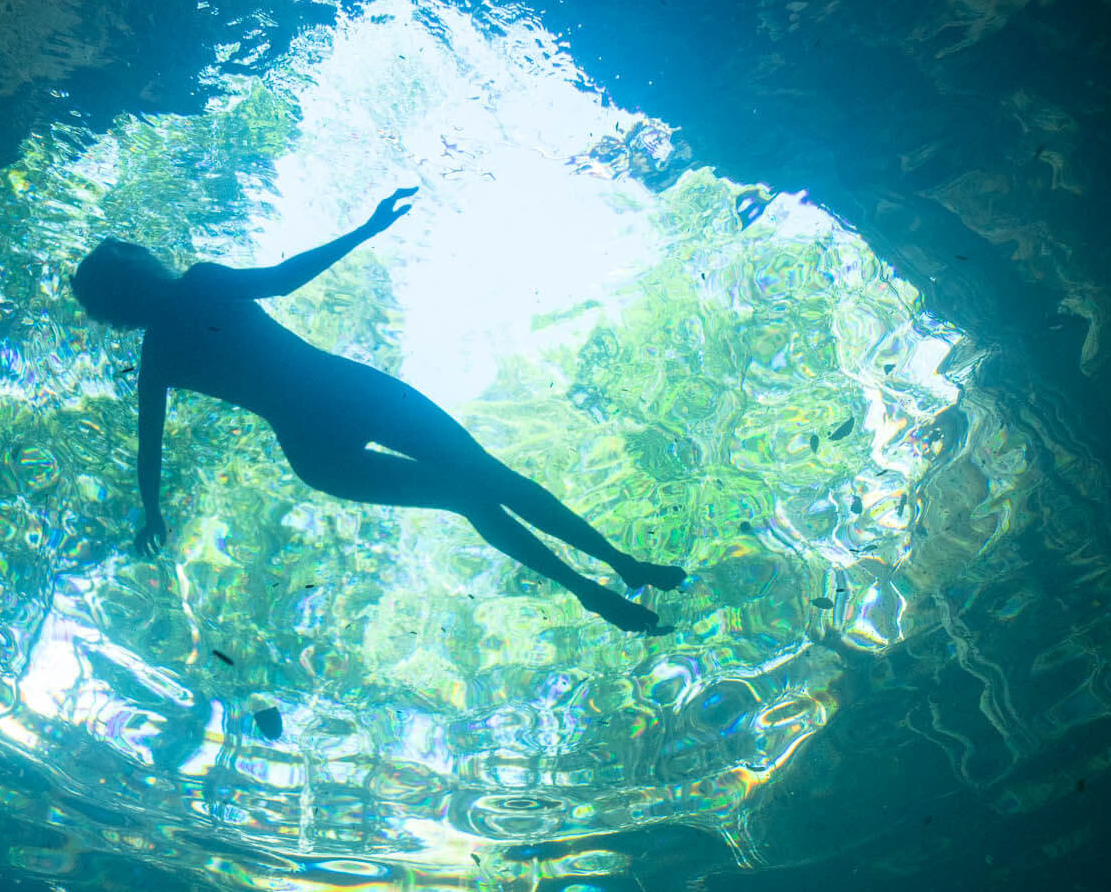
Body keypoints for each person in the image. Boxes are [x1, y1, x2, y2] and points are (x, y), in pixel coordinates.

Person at [70, 186, 685, 633]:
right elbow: (285, 278)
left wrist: (153, 515)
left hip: (314, 450)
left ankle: (588, 590)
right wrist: (367, 229)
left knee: (470, 497)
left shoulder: (158, 358)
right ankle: (622, 565)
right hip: (351, 393)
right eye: (133, 250)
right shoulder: (200, 283)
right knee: (492, 480)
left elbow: (148, 442)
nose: (144, 249)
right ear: (137, 268)